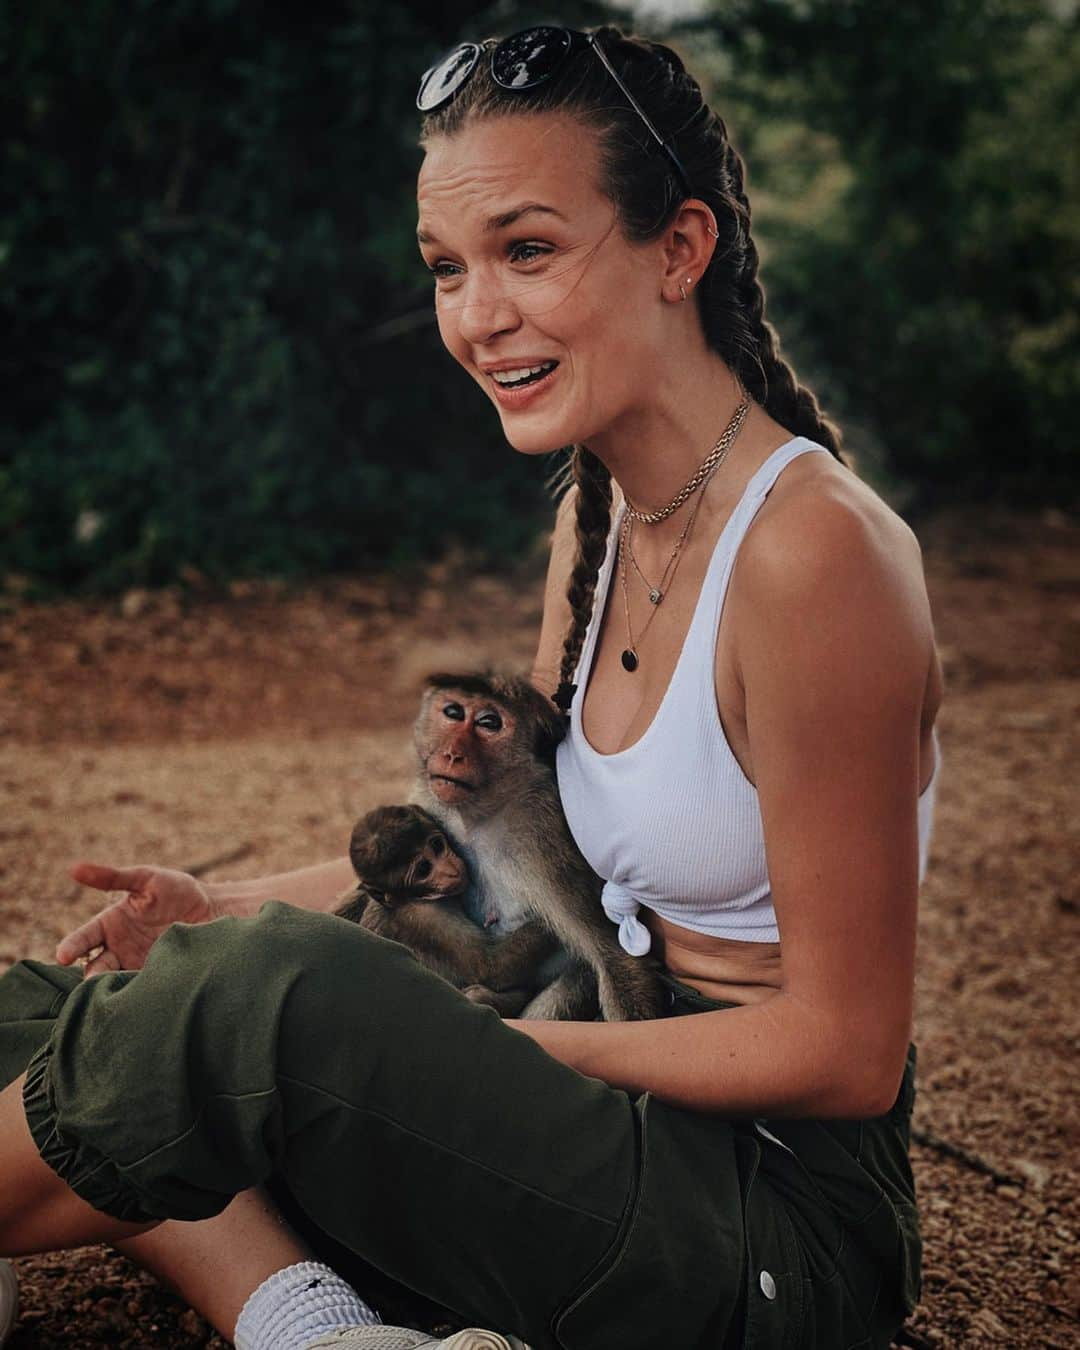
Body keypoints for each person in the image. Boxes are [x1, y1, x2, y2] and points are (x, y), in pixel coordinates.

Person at [0, 21, 943, 1350]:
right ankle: (317, 1326)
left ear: (681, 246)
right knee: (72, 1008)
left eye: (528, 250)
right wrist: (220, 905)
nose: (477, 315)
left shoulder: (819, 558)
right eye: (449, 268)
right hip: (593, 1125)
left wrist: (496, 1060)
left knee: (255, 1003)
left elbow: (847, 1052)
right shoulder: (608, 510)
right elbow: (516, 857)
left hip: (764, 1218)